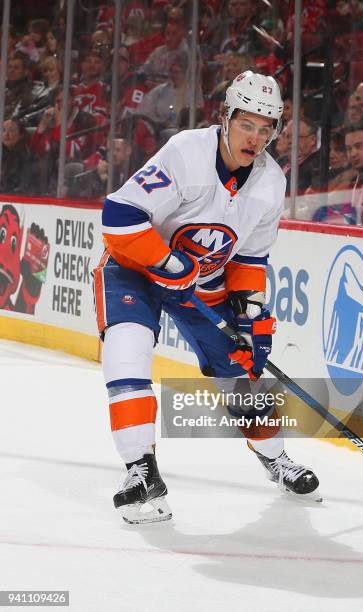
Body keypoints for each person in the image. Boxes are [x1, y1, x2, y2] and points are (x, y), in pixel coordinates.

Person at [93, 71, 321, 525]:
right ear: (225, 117)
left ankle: (275, 458)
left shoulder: (271, 183)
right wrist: (165, 264)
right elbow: (118, 216)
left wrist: (250, 315)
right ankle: (142, 472)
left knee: (241, 376)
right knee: (126, 351)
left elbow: (250, 260)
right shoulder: (185, 153)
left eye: (265, 128)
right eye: (246, 124)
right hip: (134, 270)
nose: (254, 138)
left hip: (204, 283)